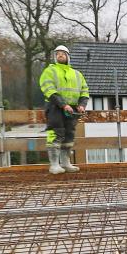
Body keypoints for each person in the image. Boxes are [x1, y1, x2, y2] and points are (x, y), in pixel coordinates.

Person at [39, 45, 90, 175]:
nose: (60, 55)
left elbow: (84, 90)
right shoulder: (50, 71)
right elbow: (48, 89)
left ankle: (66, 163)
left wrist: (82, 104)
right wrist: (63, 104)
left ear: (68, 56)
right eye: (57, 53)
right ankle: (54, 165)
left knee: (69, 135)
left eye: (62, 53)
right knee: (56, 133)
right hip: (55, 107)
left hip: (72, 109)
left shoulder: (77, 74)